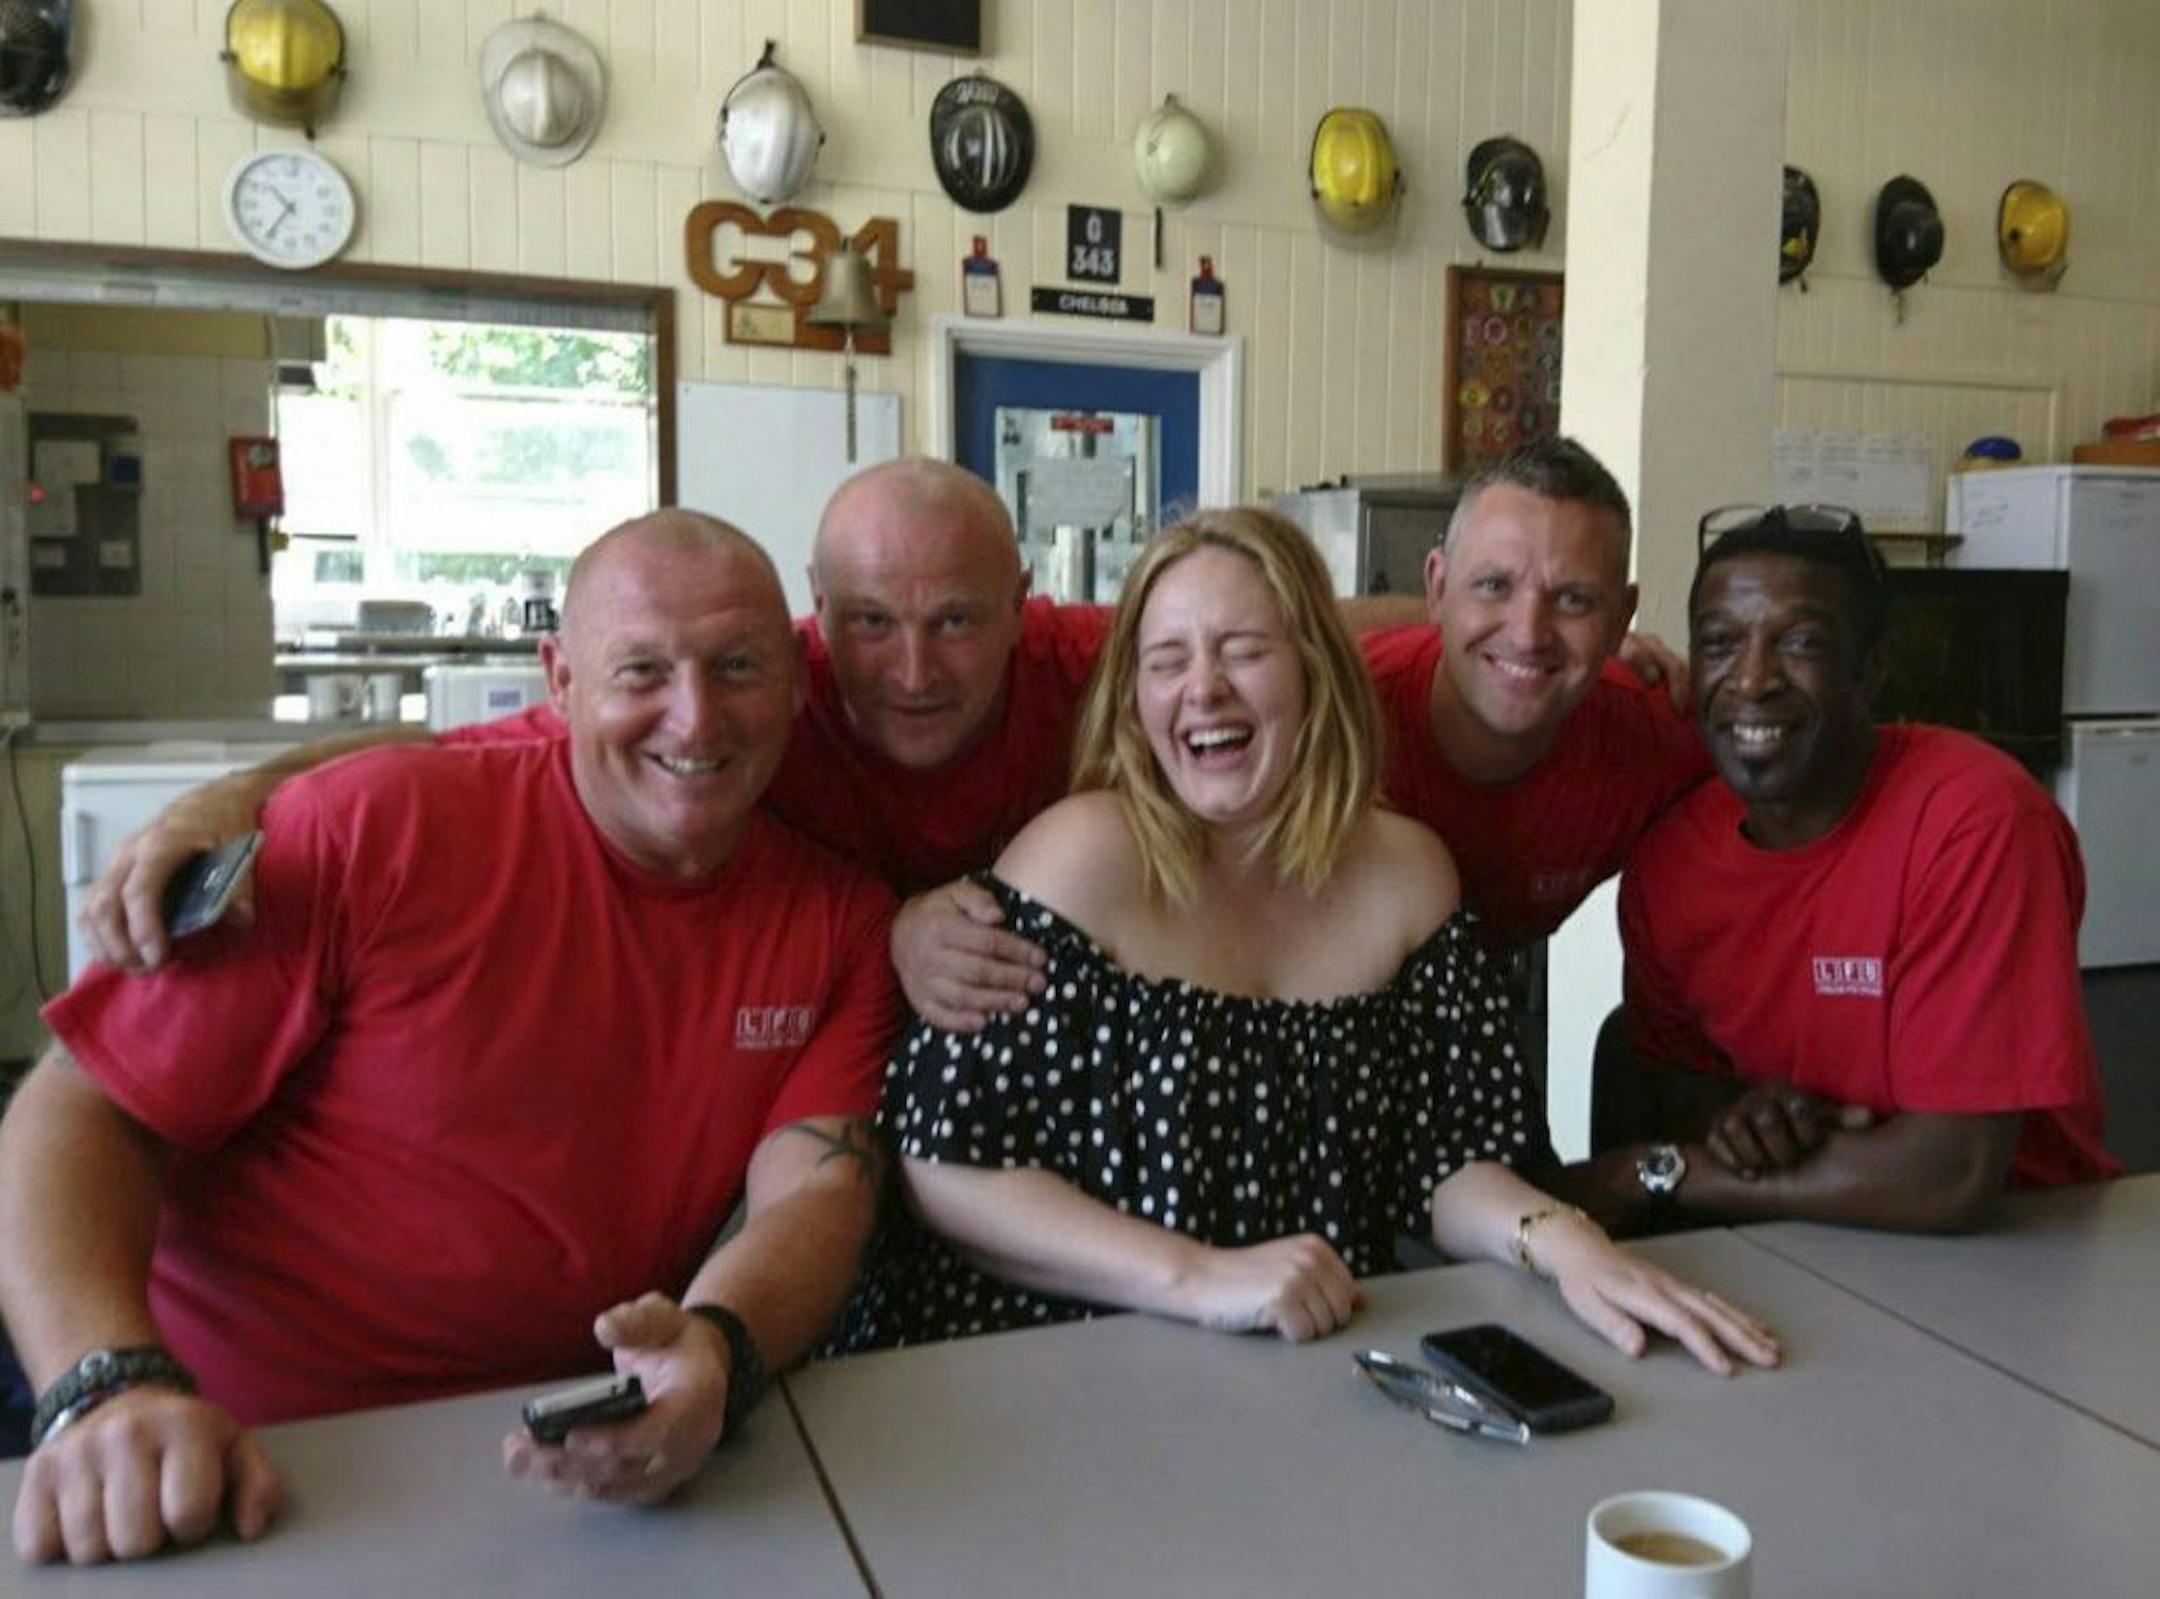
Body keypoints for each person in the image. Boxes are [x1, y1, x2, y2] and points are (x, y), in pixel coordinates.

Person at [0, 512, 899, 1565]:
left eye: (738, 666)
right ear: (558, 681)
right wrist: (105, 1384)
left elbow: (815, 1190)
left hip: (561, 1474)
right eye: (642, 670)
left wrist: (721, 1349)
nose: (695, 718)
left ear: (798, 678)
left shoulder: (838, 919)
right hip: (227, 1457)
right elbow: (86, 1106)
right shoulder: (371, 828)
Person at [832, 507, 1780, 1378]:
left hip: (1309, 1363)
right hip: (1044, 1367)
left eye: (1243, 650)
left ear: (1316, 671)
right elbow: (946, 1165)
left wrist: (1566, 1243)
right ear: (1133, 697)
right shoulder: (1082, 858)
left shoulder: (1410, 875)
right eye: (1166, 661)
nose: (1202, 688)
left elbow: (1451, 1161)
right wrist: (1199, 1277)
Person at [1557, 505, 2118, 1236]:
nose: (1752, 679)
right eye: (1721, 643)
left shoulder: (1976, 821)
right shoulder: (1670, 857)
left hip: (2018, 1247)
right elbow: (1676, 1083)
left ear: (1871, 667)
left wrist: (1654, 1174)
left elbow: (1952, 1173)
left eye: (1801, 642)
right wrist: (1748, 1116)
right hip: (1791, 1242)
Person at [1361, 436, 1711, 949]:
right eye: (1493, 586)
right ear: (1437, 588)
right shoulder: (1333, 707)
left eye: (1574, 600)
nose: (1527, 634)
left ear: (1621, 620)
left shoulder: (1653, 729)